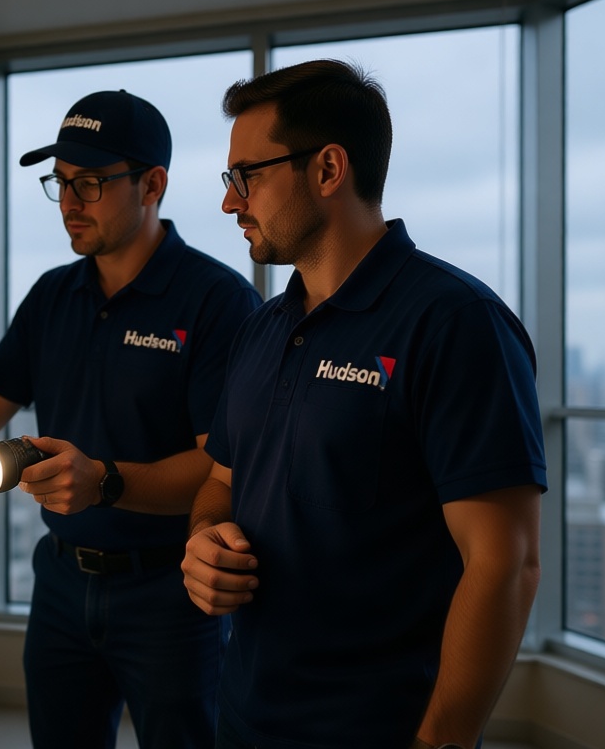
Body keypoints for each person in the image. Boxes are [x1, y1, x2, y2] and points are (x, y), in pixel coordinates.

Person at [0, 89, 261, 748]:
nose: (71, 202)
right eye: (61, 182)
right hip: (60, 584)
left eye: (91, 182)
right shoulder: (55, 294)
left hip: (169, 591)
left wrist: (105, 479)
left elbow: (220, 466)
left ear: (153, 184)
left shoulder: (217, 302)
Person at [181, 59, 545, 749]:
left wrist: (443, 738)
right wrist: (204, 539)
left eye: (246, 177)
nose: (231, 203)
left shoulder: (455, 322)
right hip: (244, 716)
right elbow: (220, 483)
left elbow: (505, 561)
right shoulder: (261, 327)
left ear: (327, 170)